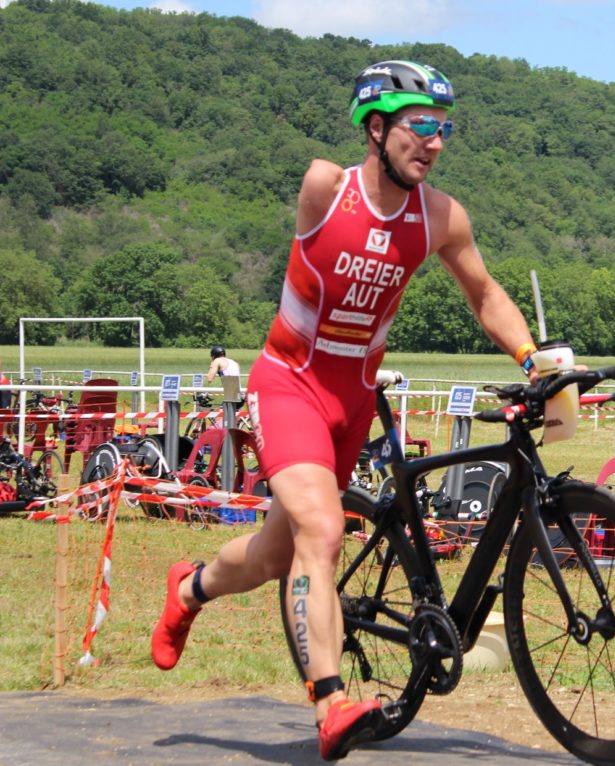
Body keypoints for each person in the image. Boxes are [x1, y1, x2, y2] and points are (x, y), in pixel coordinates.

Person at [151, 61, 540, 761]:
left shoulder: (442, 217)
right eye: (421, 125)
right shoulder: (325, 187)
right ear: (377, 125)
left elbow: (485, 294)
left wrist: (533, 359)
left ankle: (192, 587)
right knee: (324, 530)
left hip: (354, 396)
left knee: (279, 553)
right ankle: (331, 701)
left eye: (444, 128)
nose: (435, 141)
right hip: (289, 383)